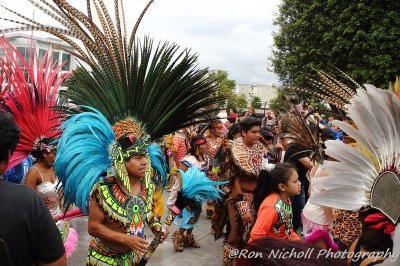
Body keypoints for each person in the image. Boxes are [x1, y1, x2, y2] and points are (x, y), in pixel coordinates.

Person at [0, 113, 66, 266]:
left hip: (58, 224)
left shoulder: (57, 169)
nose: (55, 156)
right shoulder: (28, 192)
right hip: (41, 224)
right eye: (53, 152)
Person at [212, 117, 267, 266]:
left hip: (256, 196)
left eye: (259, 132)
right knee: (235, 233)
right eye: (253, 132)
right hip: (238, 196)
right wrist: (242, 204)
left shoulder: (261, 147)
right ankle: (228, 263)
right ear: (243, 132)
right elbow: (232, 179)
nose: (257, 135)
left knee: (250, 234)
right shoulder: (233, 148)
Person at [168, 135, 211, 251]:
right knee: (190, 216)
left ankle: (188, 238)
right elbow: (181, 176)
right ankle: (177, 237)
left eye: (205, 144)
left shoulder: (205, 158)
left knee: (196, 215)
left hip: (200, 194)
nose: (205, 146)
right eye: (202, 144)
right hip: (189, 194)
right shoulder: (189, 159)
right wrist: (184, 195)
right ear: (196, 146)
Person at [249, 163, 301, 242]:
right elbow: (257, 234)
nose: (299, 183)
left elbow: (287, 230)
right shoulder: (271, 206)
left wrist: (301, 244)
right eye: (295, 181)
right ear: (282, 187)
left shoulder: (286, 200)